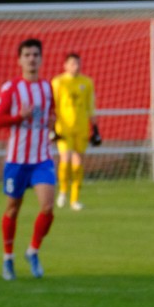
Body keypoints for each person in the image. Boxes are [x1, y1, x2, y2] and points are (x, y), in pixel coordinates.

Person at [0, 38, 56, 280]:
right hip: (17, 161)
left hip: (42, 158)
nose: (31, 59)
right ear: (19, 60)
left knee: (48, 207)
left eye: (35, 55)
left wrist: (53, 123)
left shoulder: (47, 87)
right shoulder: (11, 88)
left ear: (41, 58)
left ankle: (33, 251)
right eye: (27, 55)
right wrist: (19, 117)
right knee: (12, 209)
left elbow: (52, 114)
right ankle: (8, 258)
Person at [51, 53, 98, 211]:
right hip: (63, 127)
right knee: (65, 158)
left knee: (78, 163)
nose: (75, 67)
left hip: (82, 127)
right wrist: (52, 127)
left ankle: (75, 200)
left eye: (78, 63)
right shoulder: (58, 82)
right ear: (65, 65)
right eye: (72, 64)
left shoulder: (87, 82)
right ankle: (63, 191)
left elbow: (90, 106)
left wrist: (95, 128)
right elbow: (54, 105)